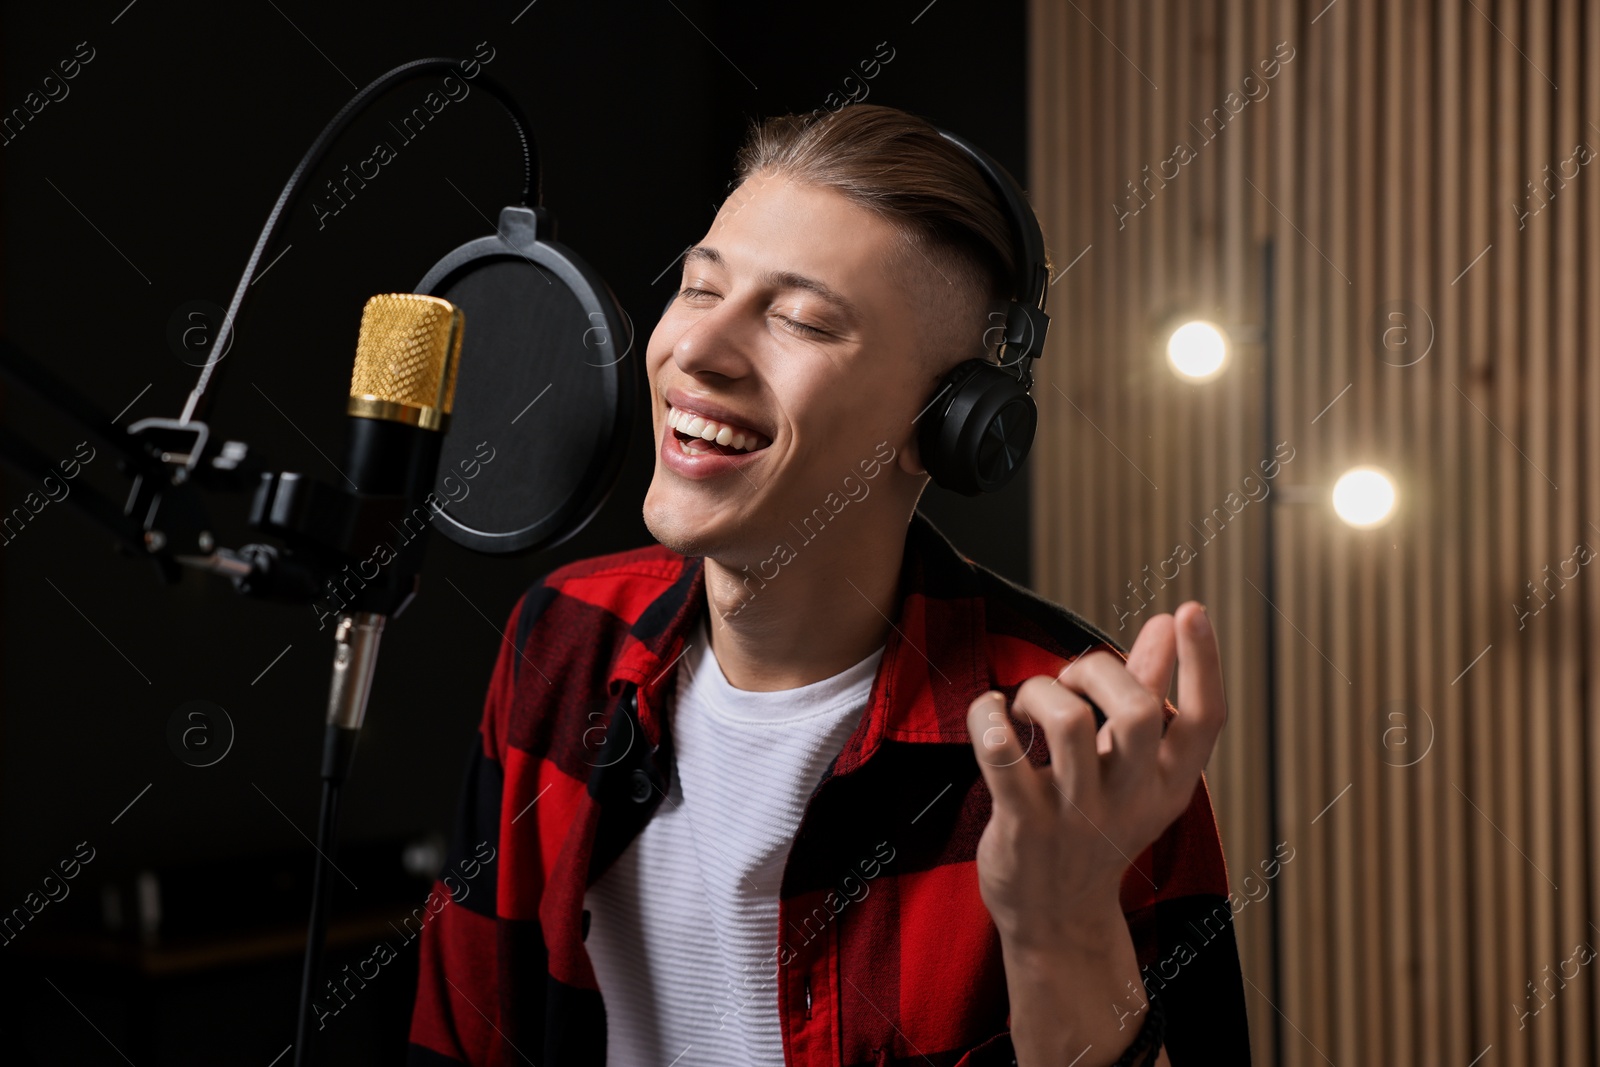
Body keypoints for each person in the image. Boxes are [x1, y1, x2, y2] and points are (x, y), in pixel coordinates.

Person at [406, 103, 1250, 1067]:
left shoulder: (1080, 743)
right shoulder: (562, 635)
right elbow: (459, 1038)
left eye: (801, 320)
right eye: (698, 288)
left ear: (948, 425)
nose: (699, 351)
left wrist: (1061, 937)